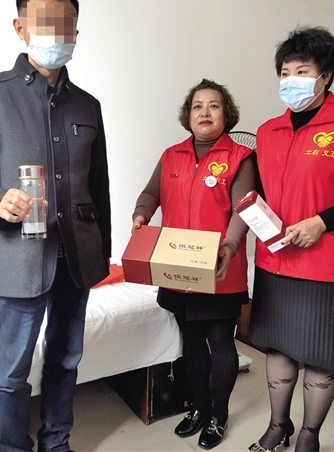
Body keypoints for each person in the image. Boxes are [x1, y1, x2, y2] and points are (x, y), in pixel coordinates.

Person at [0, 0, 111, 452]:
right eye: (45, 23)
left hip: (77, 259)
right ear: (20, 27)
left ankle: (56, 441)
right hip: (19, 259)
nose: (57, 34)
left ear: (76, 33)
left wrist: (103, 254)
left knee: (67, 359)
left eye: (66, 25)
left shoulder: (88, 105)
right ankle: (13, 447)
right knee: (13, 370)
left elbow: (99, 187)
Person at [248, 26, 334, 452]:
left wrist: (322, 222)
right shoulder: (267, 131)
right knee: (277, 347)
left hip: (324, 263)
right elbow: (261, 191)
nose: (290, 80)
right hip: (274, 260)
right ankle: (279, 425)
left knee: (320, 356)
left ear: (326, 75)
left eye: (302, 71)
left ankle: (309, 436)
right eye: (284, 73)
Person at [131, 79, 255, 450]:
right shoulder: (172, 155)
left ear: (226, 114)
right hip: (177, 266)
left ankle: (219, 414)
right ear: (188, 115)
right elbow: (150, 192)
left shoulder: (240, 157)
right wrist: (141, 214)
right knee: (192, 342)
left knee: (220, 343)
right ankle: (199, 407)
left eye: (213, 105)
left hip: (219, 268)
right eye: (197, 106)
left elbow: (243, 209)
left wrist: (230, 246)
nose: (204, 112)